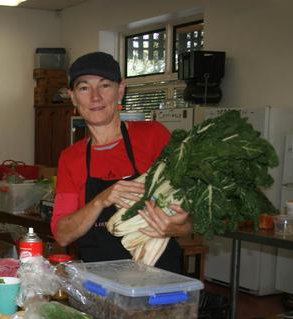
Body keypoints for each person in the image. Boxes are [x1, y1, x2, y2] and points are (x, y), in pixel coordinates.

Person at [51, 51, 193, 273]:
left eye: (105, 86)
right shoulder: (71, 158)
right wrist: (101, 200)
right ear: (73, 97)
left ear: (121, 91)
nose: (95, 97)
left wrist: (179, 226)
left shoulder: (154, 137)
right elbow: (62, 234)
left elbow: (188, 219)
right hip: (100, 285)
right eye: (84, 88)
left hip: (159, 280)